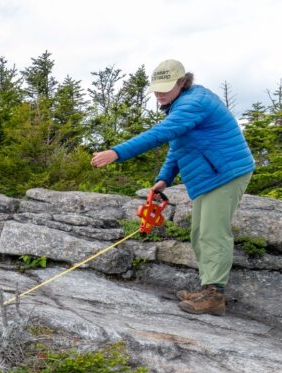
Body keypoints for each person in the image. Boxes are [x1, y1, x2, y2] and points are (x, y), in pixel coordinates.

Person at [91, 59, 255, 316]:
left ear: (182, 82)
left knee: (213, 233)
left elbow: (160, 134)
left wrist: (116, 152)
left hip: (226, 172)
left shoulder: (193, 103)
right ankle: (208, 289)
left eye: (165, 88)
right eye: (156, 88)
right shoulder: (180, 102)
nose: (159, 94)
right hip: (211, 173)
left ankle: (214, 296)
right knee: (200, 232)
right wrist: (165, 178)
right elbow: (179, 144)